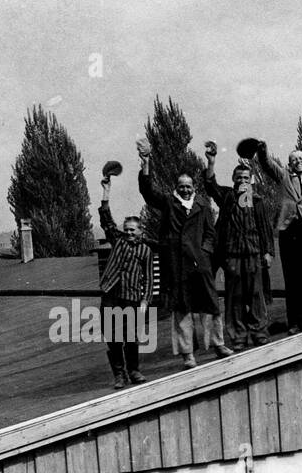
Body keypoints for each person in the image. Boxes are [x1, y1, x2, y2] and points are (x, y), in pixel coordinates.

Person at [137, 146, 225, 369]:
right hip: (177, 265)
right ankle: (188, 354)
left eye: (188, 186)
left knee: (210, 305)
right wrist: (146, 162)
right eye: (181, 187)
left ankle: (218, 344)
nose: (185, 190)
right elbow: (148, 192)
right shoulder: (168, 202)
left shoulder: (203, 203)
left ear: (193, 187)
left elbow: (210, 232)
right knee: (182, 309)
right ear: (176, 188)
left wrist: (204, 253)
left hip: (200, 263)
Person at [253, 141, 302, 333]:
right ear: (289, 164)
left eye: (301, 158)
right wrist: (263, 152)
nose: (298, 161)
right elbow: (268, 165)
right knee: (293, 279)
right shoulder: (284, 177)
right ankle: (297, 322)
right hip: (289, 234)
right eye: (294, 159)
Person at [203, 147, 273, 349]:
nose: (243, 181)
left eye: (246, 177)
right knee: (235, 298)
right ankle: (239, 337)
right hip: (232, 255)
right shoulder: (226, 197)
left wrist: (267, 252)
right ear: (234, 179)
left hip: (253, 254)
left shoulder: (257, 200)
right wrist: (211, 162)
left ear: (250, 180)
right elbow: (210, 185)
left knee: (256, 296)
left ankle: (259, 333)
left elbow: (264, 229)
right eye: (239, 177)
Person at [96, 169, 152, 389]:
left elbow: (148, 278)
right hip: (111, 296)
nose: (129, 233)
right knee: (113, 338)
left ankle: (134, 371)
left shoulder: (146, 251)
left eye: (133, 230)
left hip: (131, 298)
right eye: (126, 229)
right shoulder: (117, 240)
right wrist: (106, 192)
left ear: (140, 231)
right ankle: (119, 375)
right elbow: (106, 220)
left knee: (131, 337)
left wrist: (145, 302)